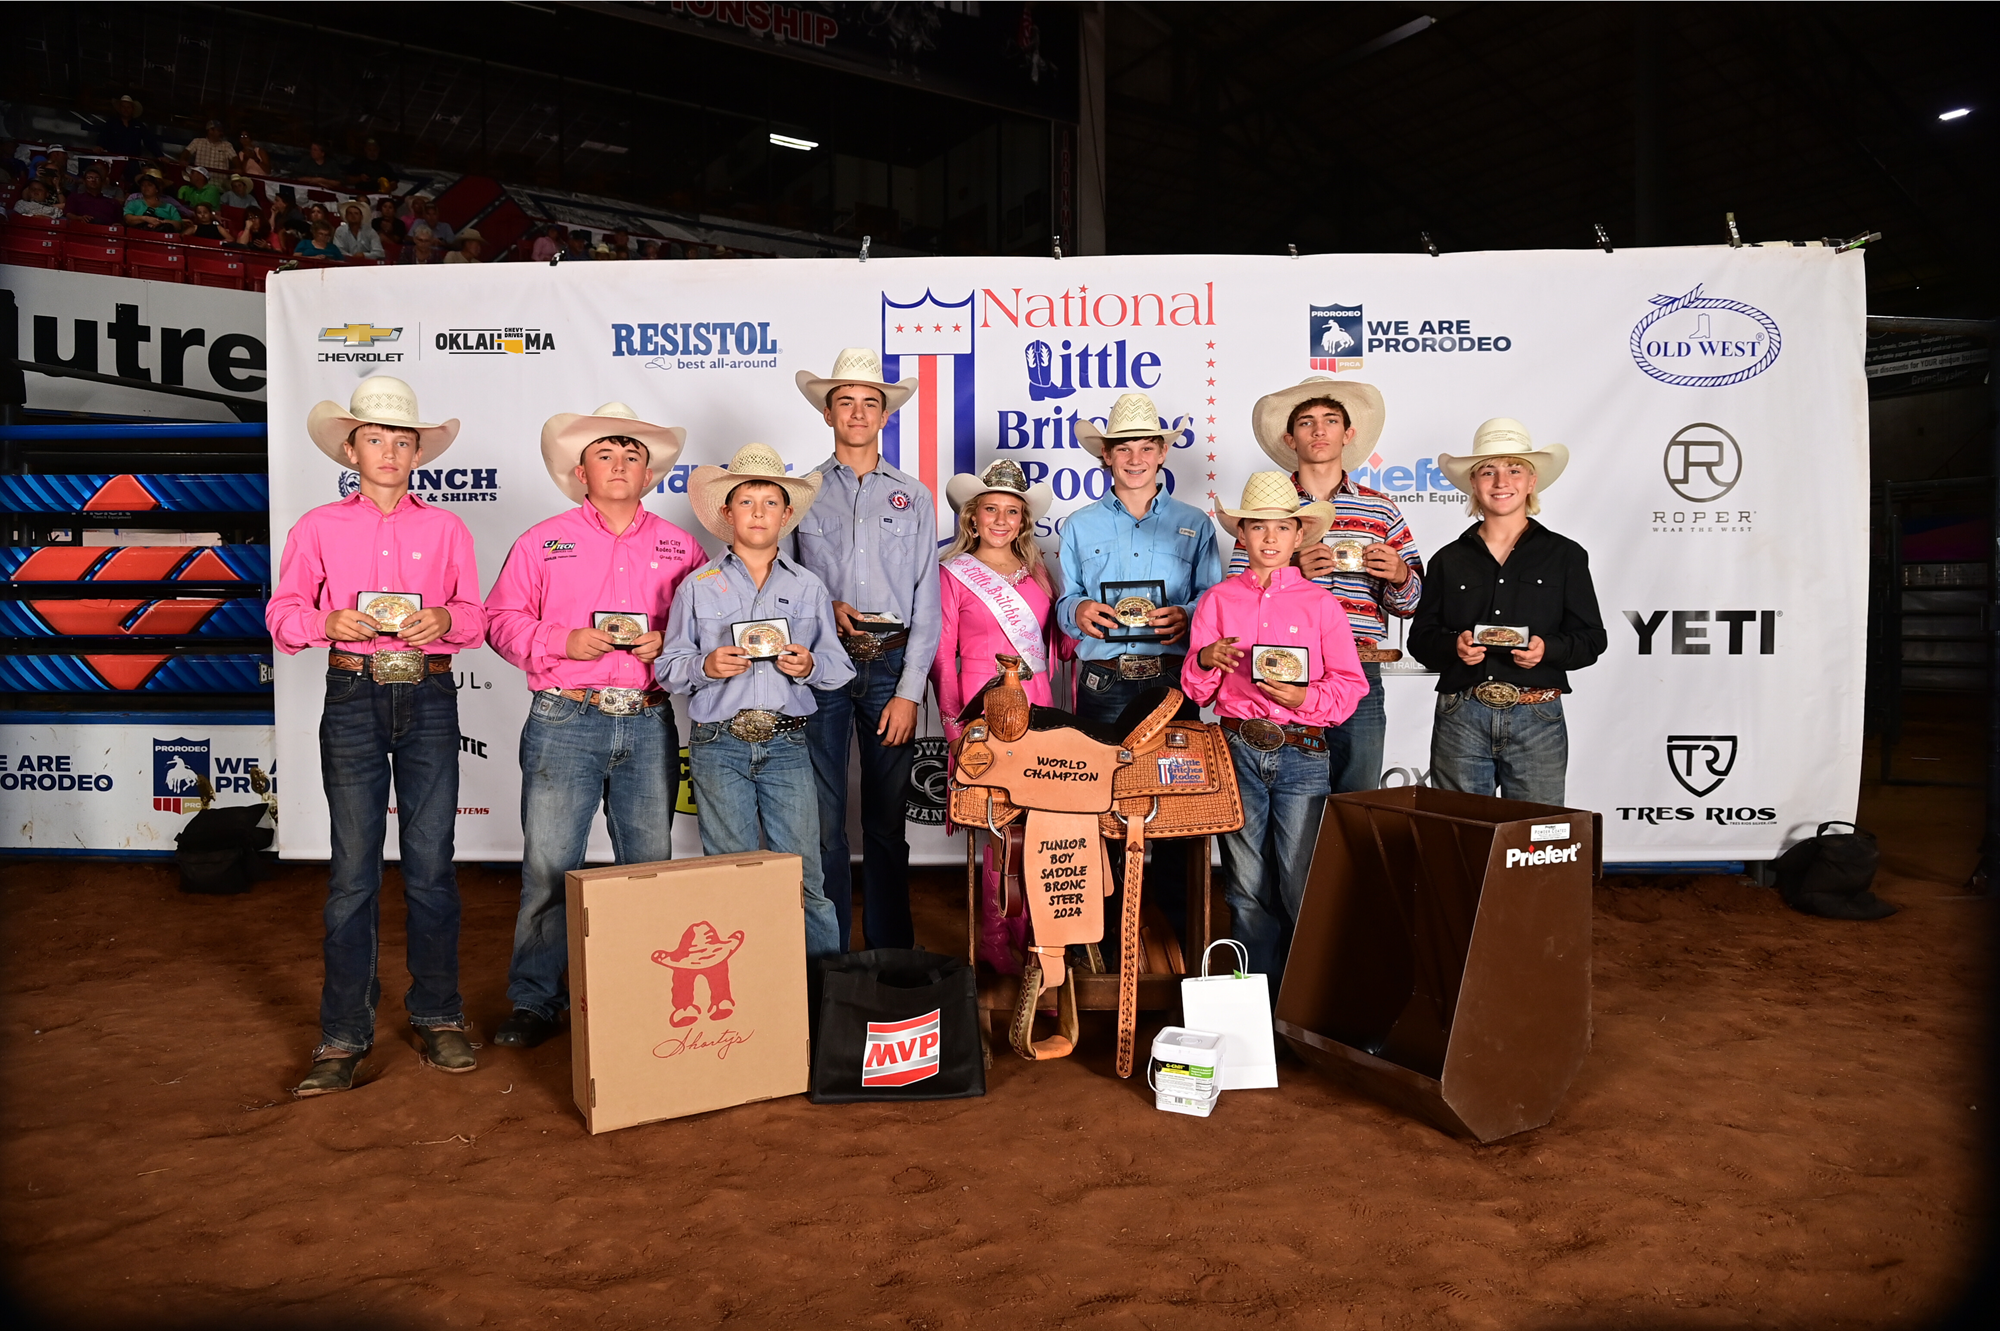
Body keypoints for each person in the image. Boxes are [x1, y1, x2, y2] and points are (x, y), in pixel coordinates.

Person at [268, 376, 485, 1096]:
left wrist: (445, 622)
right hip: (355, 690)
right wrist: (324, 622)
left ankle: (439, 1012)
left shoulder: (447, 529)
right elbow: (283, 612)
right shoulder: (318, 527)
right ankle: (343, 1032)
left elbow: (475, 616)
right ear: (351, 447)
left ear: (416, 451)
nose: (388, 451)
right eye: (375, 438)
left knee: (431, 864)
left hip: (425, 688)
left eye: (401, 440)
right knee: (352, 871)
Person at [483, 403, 705, 1049]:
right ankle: (534, 1001)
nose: (619, 464)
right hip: (564, 716)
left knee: (648, 865)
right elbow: (499, 621)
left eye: (632, 455)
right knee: (550, 867)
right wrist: (562, 639)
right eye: (605, 454)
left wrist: (666, 639)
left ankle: (646, 991)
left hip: (646, 718)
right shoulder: (541, 540)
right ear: (581, 471)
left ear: (650, 473)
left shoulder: (680, 546)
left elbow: (703, 629)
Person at [659, 443, 852, 962]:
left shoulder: (810, 588)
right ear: (727, 513)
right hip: (719, 745)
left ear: (788, 515)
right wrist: (706, 665)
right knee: (731, 877)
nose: (760, 512)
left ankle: (822, 1000)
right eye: (747, 502)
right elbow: (668, 667)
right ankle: (750, 1001)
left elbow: (839, 669)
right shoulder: (696, 587)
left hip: (788, 743)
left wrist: (809, 665)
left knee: (804, 875)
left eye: (771, 503)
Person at [1183, 472, 1367, 987]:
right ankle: (1256, 1002)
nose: (1268, 538)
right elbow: (1196, 691)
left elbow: (1351, 685)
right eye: (1257, 527)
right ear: (1241, 535)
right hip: (1237, 746)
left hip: (1302, 751)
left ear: (1298, 535)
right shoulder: (1218, 600)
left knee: (1299, 876)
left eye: (1281, 528)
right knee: (1244, 882)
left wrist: (1306, 698)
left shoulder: (1321, 604)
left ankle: (1305, 998)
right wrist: (1206, 658)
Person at [1059, 389, 1222, 947]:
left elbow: (1214, 599)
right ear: (1106, 456)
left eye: (1146, 446)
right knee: (1101, 806)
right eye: (1123, 447)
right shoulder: (1078, 526)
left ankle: (1178, 940)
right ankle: (1102, 941)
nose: (1134, 457)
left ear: (1162, 454)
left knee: (1175, 808)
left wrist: (1190, 616)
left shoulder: (1194, 524)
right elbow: (1067, 601)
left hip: (1171, 682)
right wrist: (1077, 610)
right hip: (1103, 682)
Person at [787, 349, 937, 953]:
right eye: (844, 401)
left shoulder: (915, 496)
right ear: (828, 414)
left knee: (885, 822)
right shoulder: (799, 493)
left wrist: (908, 692)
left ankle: (889, 955)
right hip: (821, 666)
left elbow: (928, 597)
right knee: (821, 820)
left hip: (890, 667)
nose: (857, 411)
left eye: (869, 402)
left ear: (884, 416)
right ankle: (828, 955)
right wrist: (823, 609)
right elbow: (781, 584)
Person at [1241, 377, 1425, 794]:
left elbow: (1412, 604)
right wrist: (1292, 571)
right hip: (1283, 665)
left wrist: (1398, 575)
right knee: (1288, 798)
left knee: (1356, 798)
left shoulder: (1380, 508)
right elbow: (1238, 593)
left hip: (1360, 665)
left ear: (1349, 433)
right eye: (1306, 422)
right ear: (1290, 438)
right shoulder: (1263, 506)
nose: (1319, 430)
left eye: (1330, 420)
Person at [1410, 419, 1605, 805]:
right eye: (1488, 471)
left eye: (1514, 470)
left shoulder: (1565, 556)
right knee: (1459, 833)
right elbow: (1421, 640)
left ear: (1531, 482)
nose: (1501, 481)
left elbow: (1592, 640)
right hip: (1461, 714)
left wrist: (1546, 649)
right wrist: (1455, 646)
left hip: (1537, 714)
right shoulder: (1448, 560)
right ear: (1473, 483)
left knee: (1536, 839)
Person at [932, 459, 1062, 738]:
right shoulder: (951, 574)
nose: (1001, 520)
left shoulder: (1038, 573)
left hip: (1038, 699)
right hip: (980, 699)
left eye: (1012, 511)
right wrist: (954, 730)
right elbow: (941, 660)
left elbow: (1062, 646)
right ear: (973, 517)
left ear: (1022, 522)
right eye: (991, 509)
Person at [94, 95, 164, 162]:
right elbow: (103, 136)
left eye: (128, 107)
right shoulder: (111, 123)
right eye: (123, 107)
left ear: (132, 109)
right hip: (113, 160)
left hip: (132, 161)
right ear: (119, 108)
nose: (125, 109)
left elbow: (149, 141)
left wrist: (160, 155)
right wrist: (99, 146)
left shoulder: (139, 126)